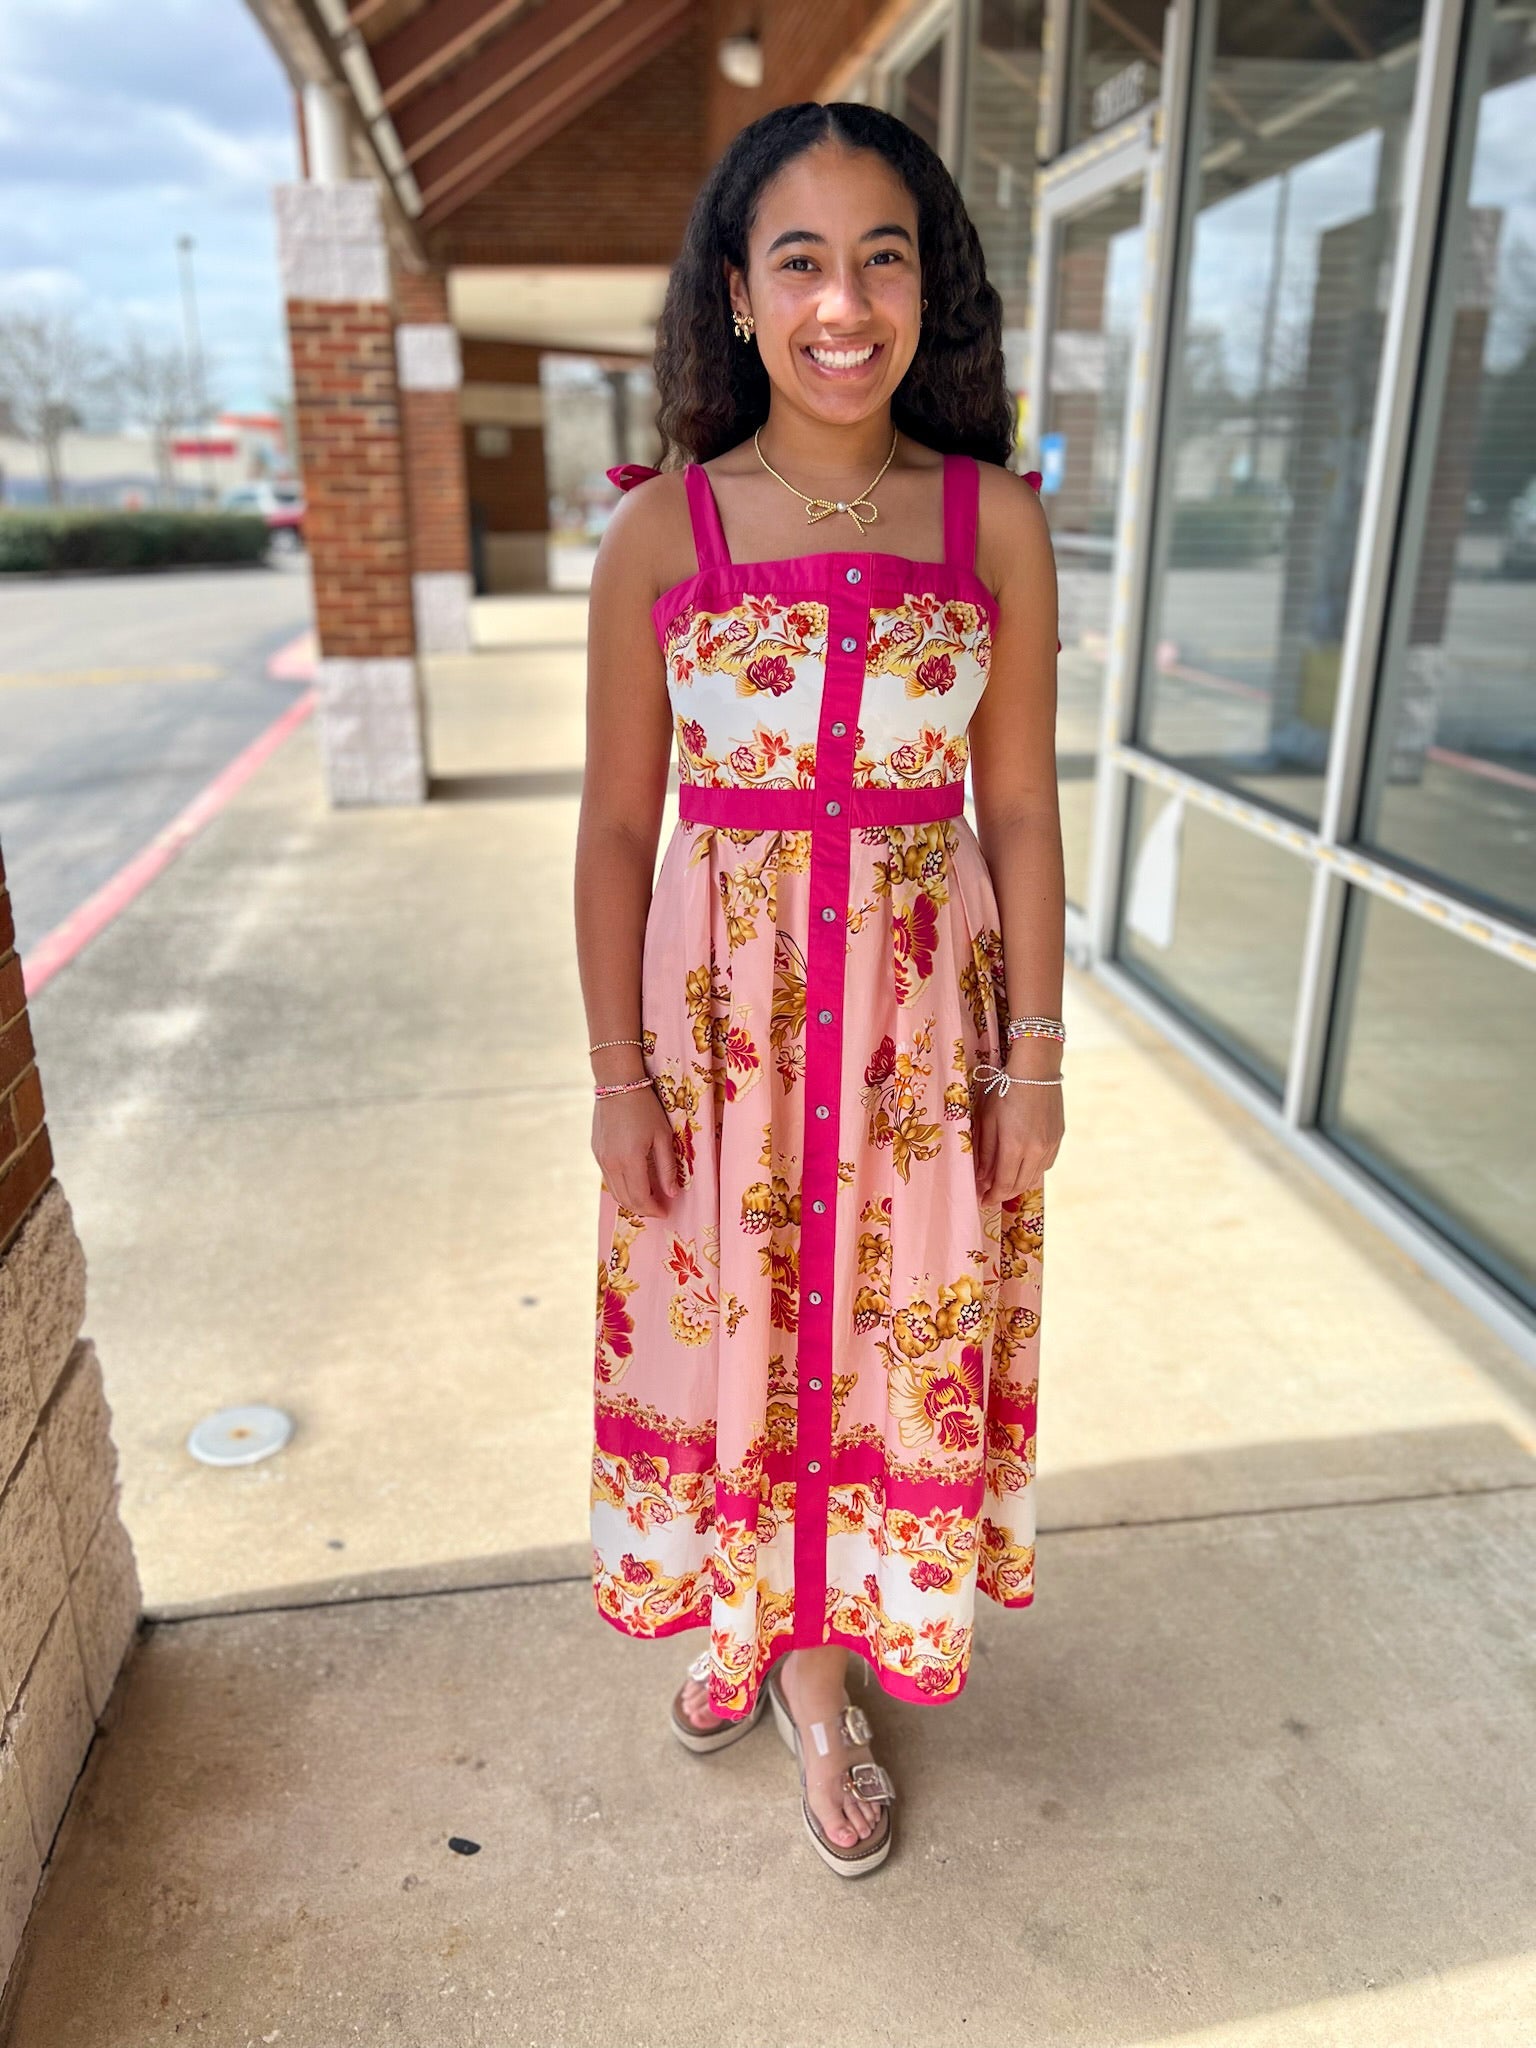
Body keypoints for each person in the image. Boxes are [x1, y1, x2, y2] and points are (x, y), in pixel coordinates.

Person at [575, 100, 1063, 1878]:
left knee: (874, 1353)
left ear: (931, 291)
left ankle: (823, 1667)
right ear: (738, 292)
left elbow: (1014, 803)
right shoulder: (664, 535)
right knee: (739, 1345)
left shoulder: (993, 524)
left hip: (927, 1041)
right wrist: (621, 1078)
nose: (843, 301)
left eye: (884, 257)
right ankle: (761, 1634)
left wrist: (1039, 1054)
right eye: (801, 259)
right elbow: (621, 831)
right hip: (724, 1046)